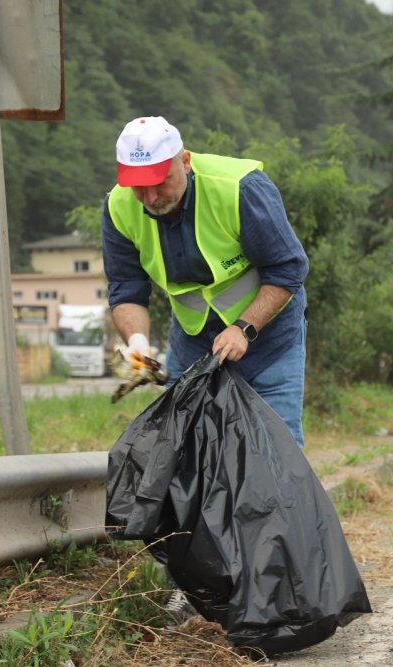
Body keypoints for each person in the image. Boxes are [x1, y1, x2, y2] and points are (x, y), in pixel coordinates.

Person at [100, 116, 310, 448]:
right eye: (139, 186)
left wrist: (244, 328)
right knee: (185, 456)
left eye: (160, 181)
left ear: (184, 162)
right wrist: (137, 341)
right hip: (193, 346)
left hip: (269, 340)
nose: (151, 197)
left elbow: (288, 270)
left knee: (276, 454)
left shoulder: (241, 188)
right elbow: (126, 288)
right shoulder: (118, 208)